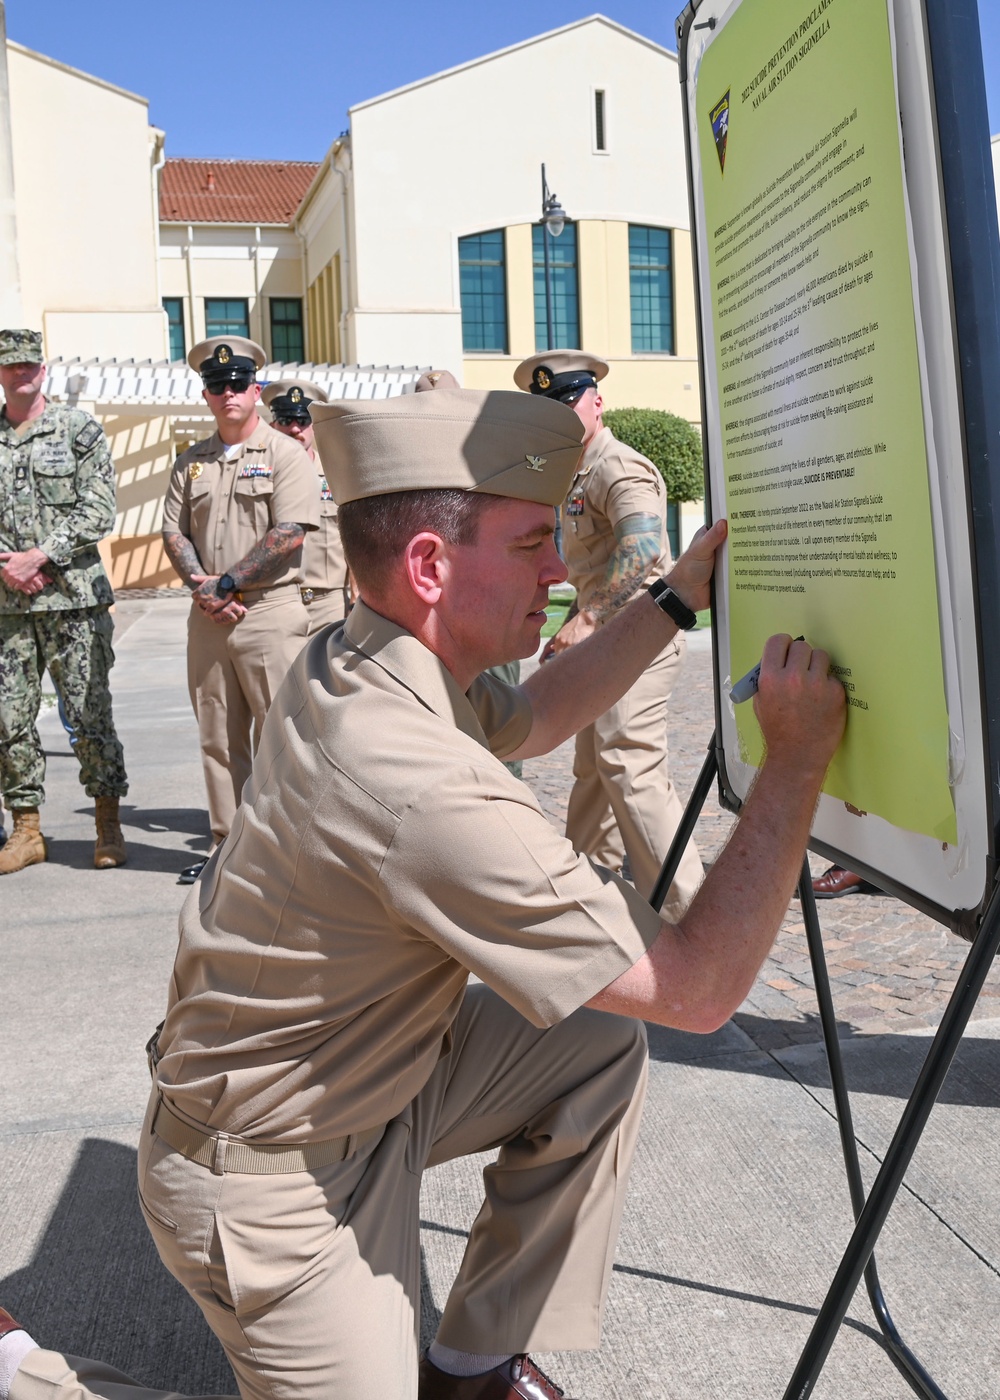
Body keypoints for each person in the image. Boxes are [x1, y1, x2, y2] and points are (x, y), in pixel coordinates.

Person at [0, 389, 845, 1400]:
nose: (558, 569)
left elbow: (532, 716)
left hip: (364, 1087)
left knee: (591, 1044)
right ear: (431, 568)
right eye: (534, 542)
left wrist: (667, 600)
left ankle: (470, 1365)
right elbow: (696, 988)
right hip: (270, 1183)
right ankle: (22, 1370)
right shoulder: (415, 780)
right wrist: (794, 760)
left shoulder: (362, 650)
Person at [513, 351, 702, 920]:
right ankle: (588, 906)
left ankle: (688, 921)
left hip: (637, 641)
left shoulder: (619, 466)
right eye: (550, 407)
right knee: (594, 773)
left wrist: (587, 619)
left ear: (596, 400)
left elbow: (644, 549)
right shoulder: (573, 469)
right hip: (605, 642)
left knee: (628, 766)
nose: (563, 415)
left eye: (570, 400)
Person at [161, 337, 319, 883]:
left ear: (256, 390)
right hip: (209, 618)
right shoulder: (191, 464)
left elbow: (291, 531)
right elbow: (173, 531)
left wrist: (227, 583)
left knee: (281, 737)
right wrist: (204, 588)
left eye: (237, 384)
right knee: (218, 739)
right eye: (216, 385)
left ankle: (291, 854)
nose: (227, 392)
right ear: (206, 395)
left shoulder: (286, 454)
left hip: (269, 615)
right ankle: (227, 850)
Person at [0, 328, 128, 875]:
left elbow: (99, 508)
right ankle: (26, 829)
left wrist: (40, 556)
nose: (20, 373)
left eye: (28, 364)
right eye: (10, 365)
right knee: (9, 720)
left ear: (42, 369)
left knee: (89, 715)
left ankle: (107, 823)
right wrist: (6, 564)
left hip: (74, 604)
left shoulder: (78, 429)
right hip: (7, 607)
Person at [260, 379, 352, 633]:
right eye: (286, 420)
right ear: (272, 425)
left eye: (302, 421)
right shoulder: (258, 477)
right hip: (275, 599)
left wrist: (357, 596)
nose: (294, 429)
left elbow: (353, 539)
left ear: (313, 427)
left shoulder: (338, 473)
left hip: (329, 601)